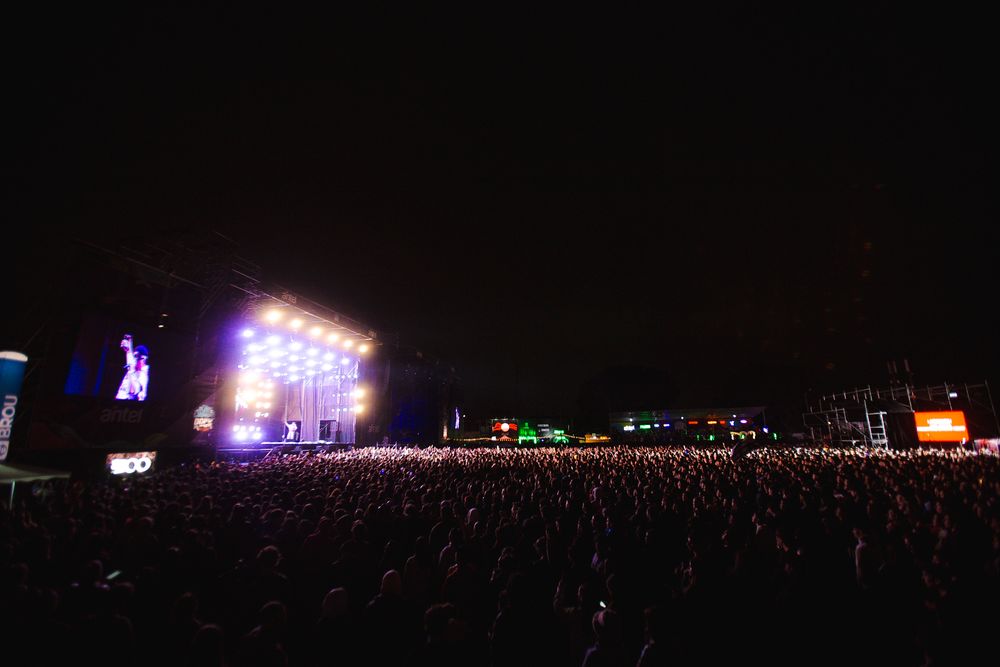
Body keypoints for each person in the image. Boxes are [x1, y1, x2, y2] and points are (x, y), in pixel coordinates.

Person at [115, 334, 149, 401]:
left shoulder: (143, 374)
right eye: (134, 356)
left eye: (137, 356)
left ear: (143, 358)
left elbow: (135, 391)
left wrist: (132, 371)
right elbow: (129, 353)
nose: (135, 359)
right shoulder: (133, 365)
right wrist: (129, 340)